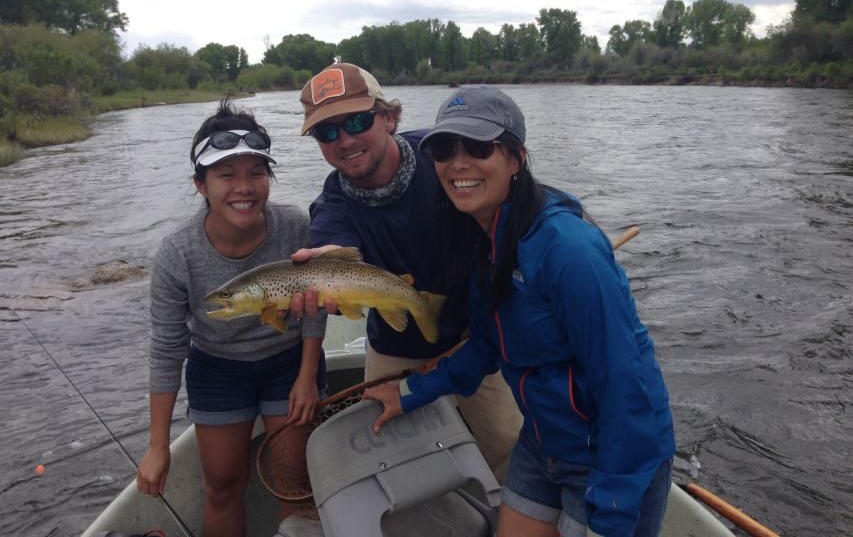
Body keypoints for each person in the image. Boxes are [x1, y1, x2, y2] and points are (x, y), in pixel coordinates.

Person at [363, 85, 676, 537]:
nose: (458, 162)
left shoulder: (569, 251)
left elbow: (626, 388)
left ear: (515, 157)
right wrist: (411, 391)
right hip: (541, 441)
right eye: (445, 149)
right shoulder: (479, 238)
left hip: (607, 454)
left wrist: (612, 507)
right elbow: (487, 345)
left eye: (477, 145)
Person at [293, 63, 522, 481]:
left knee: (508, 445)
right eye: (327, 132)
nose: (344, 140)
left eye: (357, 121)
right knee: (391, 460)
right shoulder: (332, 208)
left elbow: (513, 203)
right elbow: (334, 250)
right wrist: (326, 266)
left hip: (478, 336)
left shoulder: (443, 159)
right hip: (396, 343)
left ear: (389, 117)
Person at [136, 100, 327, 537]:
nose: (245, 188)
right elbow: (167, 348)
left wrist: (308, 375)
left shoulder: (294, 224)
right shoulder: (176, 253)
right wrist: (157, 446)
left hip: (289, 360)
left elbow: (315, 304)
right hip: (217, 368)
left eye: (256, 173)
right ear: (201, 185)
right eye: (227, 175)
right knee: (221, 486)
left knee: (295, 482)